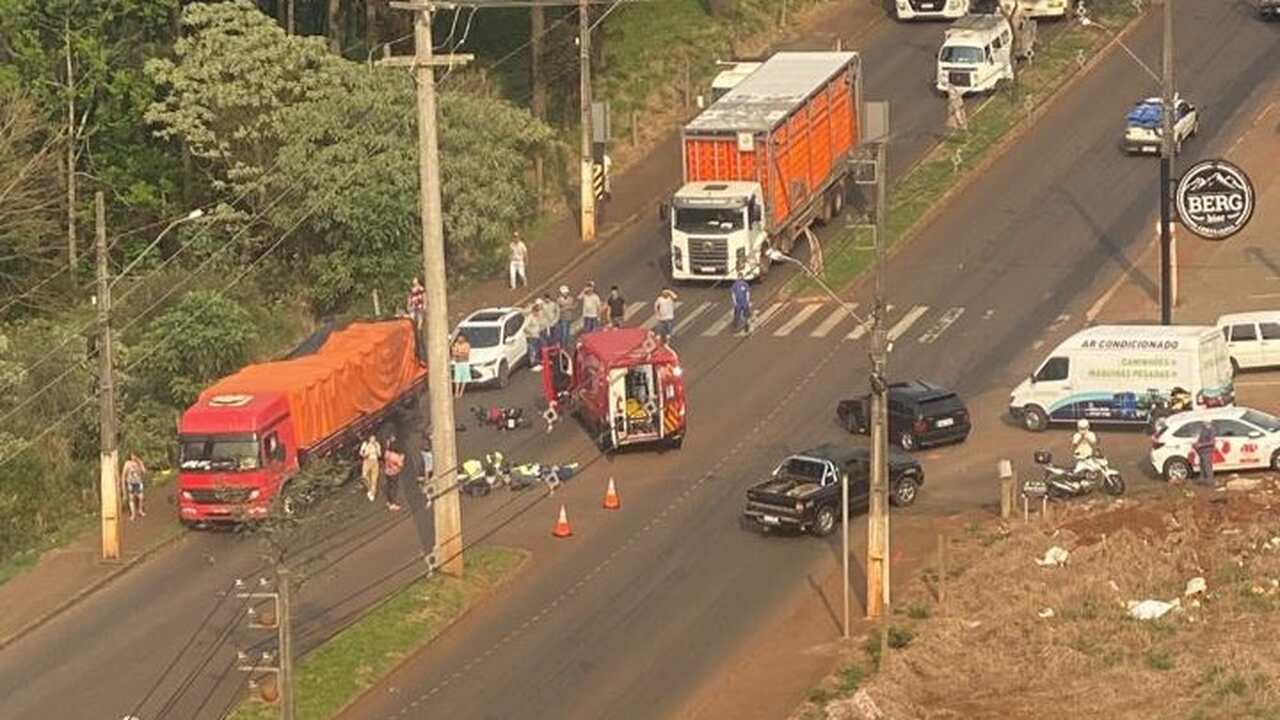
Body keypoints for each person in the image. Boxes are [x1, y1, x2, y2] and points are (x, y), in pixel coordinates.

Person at [383, 434, 405, 512]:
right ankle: (392, 504)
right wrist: (402, 458)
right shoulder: (395, 456)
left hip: (387, 472)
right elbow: (400, 465)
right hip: (394, 473)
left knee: (389, 487)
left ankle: (389, 501)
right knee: (394, 488)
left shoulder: (387, 453)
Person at [121, 453, 147, 520]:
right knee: (131, 498)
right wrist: (123, 483)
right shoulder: (127, 463)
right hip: (131, 483)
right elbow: (124, 474)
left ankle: (140, 510)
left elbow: (144, 472)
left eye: (135, 455)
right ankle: (133, 514)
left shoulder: (139, 462)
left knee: (141, 497)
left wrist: (140, 463)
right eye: (132, 455)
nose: (133, 456)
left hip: (138, 482)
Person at [359, 434, 382, 502]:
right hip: (367, 461)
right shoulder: (365, 444)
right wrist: (364, 455)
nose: (373, 440)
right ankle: (369, 489)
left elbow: (379, 454)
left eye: (374, 438)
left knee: (374, 478)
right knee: (364, 476)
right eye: (372, 438)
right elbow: (360, 452)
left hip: (375, 461)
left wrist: (377, 451)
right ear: (369, 439)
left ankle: (372, 493)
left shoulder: (377, 444)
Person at [1193, 422, 1217, 486]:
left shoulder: (1211, 430)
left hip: (1207, 451)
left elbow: (1212, 442)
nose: (1202, 423)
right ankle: (1202, 480)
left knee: (1207, 466)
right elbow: (1200, 439)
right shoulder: (1203, 429)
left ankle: (1210, 481)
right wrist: (1197, 444)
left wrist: (1201, 445)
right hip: (1202, 451)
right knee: (1202, 465)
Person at [525, 300, 545, 371]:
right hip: (532, 337)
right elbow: (525, 327)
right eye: (537, 311)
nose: (538, 313)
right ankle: (533, 365)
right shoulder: (530, 317)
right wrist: (531, 332)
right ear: (534, 311)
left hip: (537, 335)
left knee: (539, 348)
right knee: (533, 351)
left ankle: (538, 362)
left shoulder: (537, 317)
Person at [451, 334, 471, 398]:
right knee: (457, 378)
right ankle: (456, 392)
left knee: (464, 378)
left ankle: (461, 392)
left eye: (461, 338)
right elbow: (454, 353)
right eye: (459, 338)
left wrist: (458, 353)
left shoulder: (467, 344)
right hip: (458, 363)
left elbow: (466, 354)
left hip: (465, 363)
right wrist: (460, 353)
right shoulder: (456, 344)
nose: (460, 339)